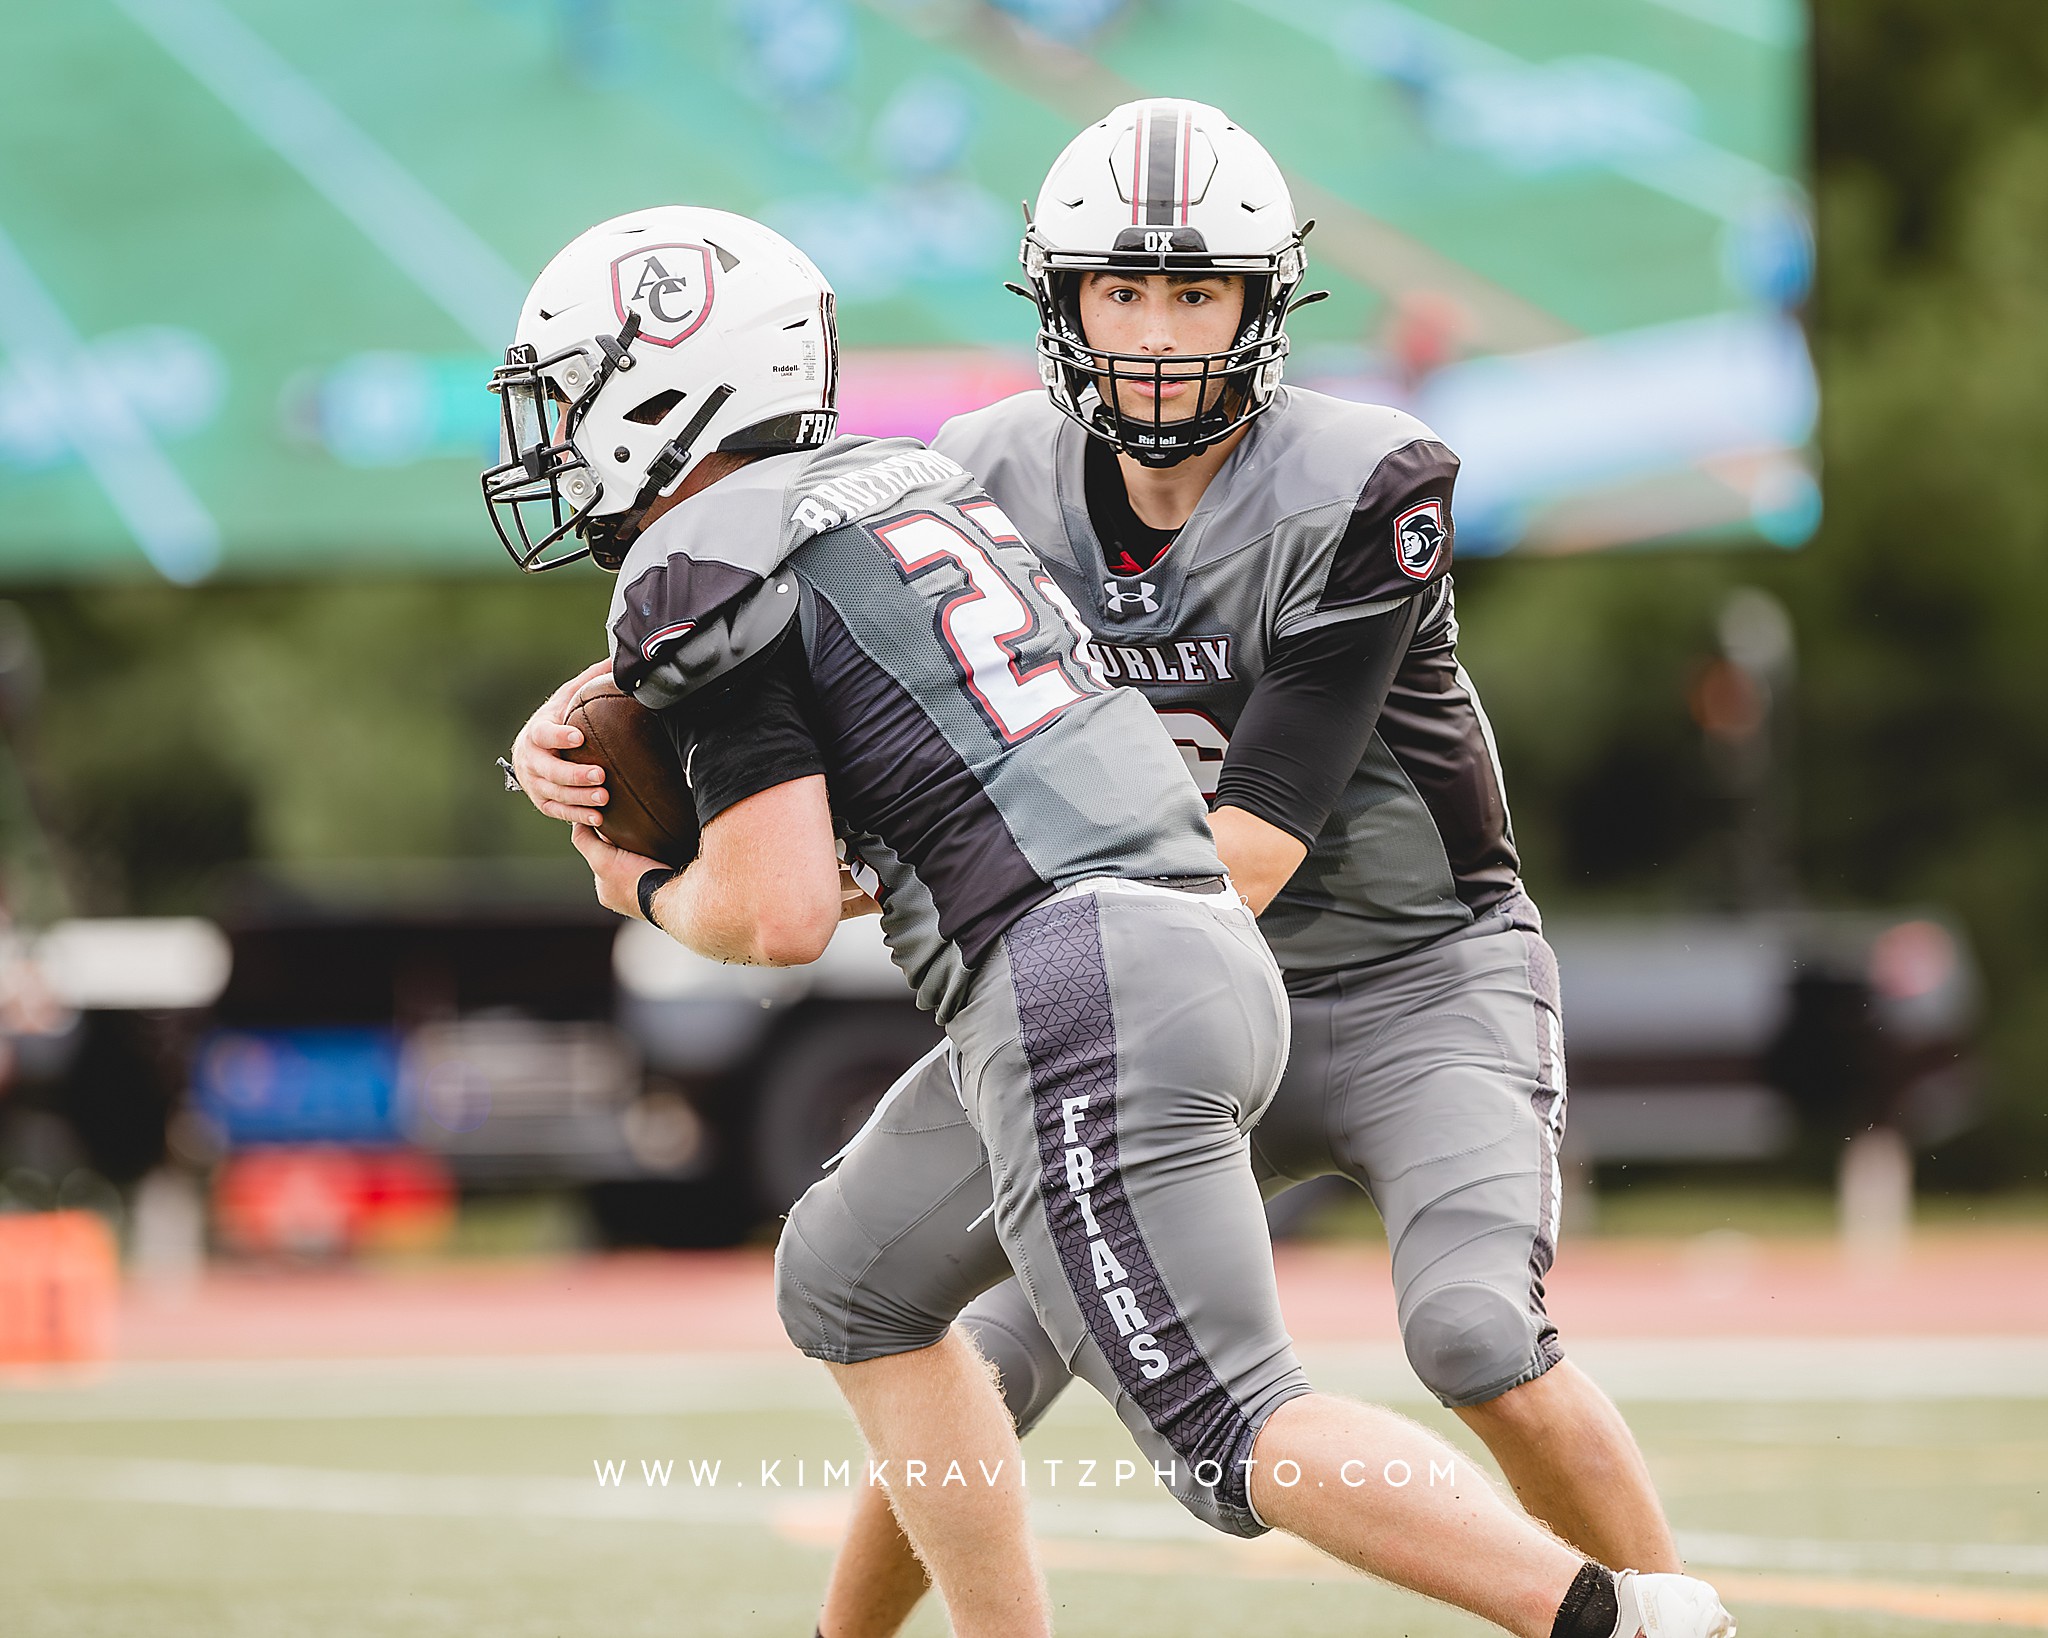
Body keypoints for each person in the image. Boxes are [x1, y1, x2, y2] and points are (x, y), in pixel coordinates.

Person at [503, 202, 1736, 1638]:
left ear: (668, 388)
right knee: (847, 1275)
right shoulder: (909, 481)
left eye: (574, 393)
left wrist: (645, 883)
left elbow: (774, 916)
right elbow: (905, 785)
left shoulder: (702, 563)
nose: (557, 434)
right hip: (1175, 936)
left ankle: (1627, 1620)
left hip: (1080, 976)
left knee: (1229, 1424)